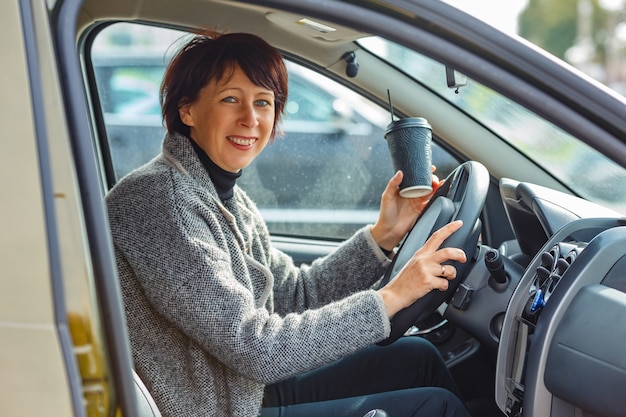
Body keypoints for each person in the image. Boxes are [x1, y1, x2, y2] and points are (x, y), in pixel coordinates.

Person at [106, 31, 471, 417]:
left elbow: (291, 296)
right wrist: (393, 297)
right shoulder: (163, 201)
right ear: (187, 110)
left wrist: (383, 236)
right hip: (216, 408)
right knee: (437, 408)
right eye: (231, 99)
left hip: (240, 389)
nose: (250, 118)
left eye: (263, 102)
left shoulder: (218, 195)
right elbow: (256, 347)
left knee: (416, 358)